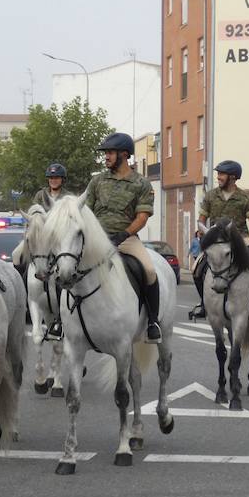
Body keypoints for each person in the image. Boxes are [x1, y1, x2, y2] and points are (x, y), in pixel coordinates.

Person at [83, 131, 162, 343]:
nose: (106, 157)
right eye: (105, 153)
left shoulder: (141, 183)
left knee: (149, 270)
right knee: (67, 266)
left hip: (126, 239)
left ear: (124, 155)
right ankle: (61, 321)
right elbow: (86, 211)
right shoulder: (97, 181)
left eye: (110, 153)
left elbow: (142, 217)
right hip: (97, 239)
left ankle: (153, 321)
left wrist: (123, 234)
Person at [193, 160, 249, 314]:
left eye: (221, 174)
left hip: (240, 236)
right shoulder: (211, 195)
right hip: (217, 238)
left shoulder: (244, 198)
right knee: (196, 268)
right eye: (218, 174)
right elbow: (202, 219)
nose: (218, 177)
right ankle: (203, 303)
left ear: (232, 177)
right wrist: (201, 233)